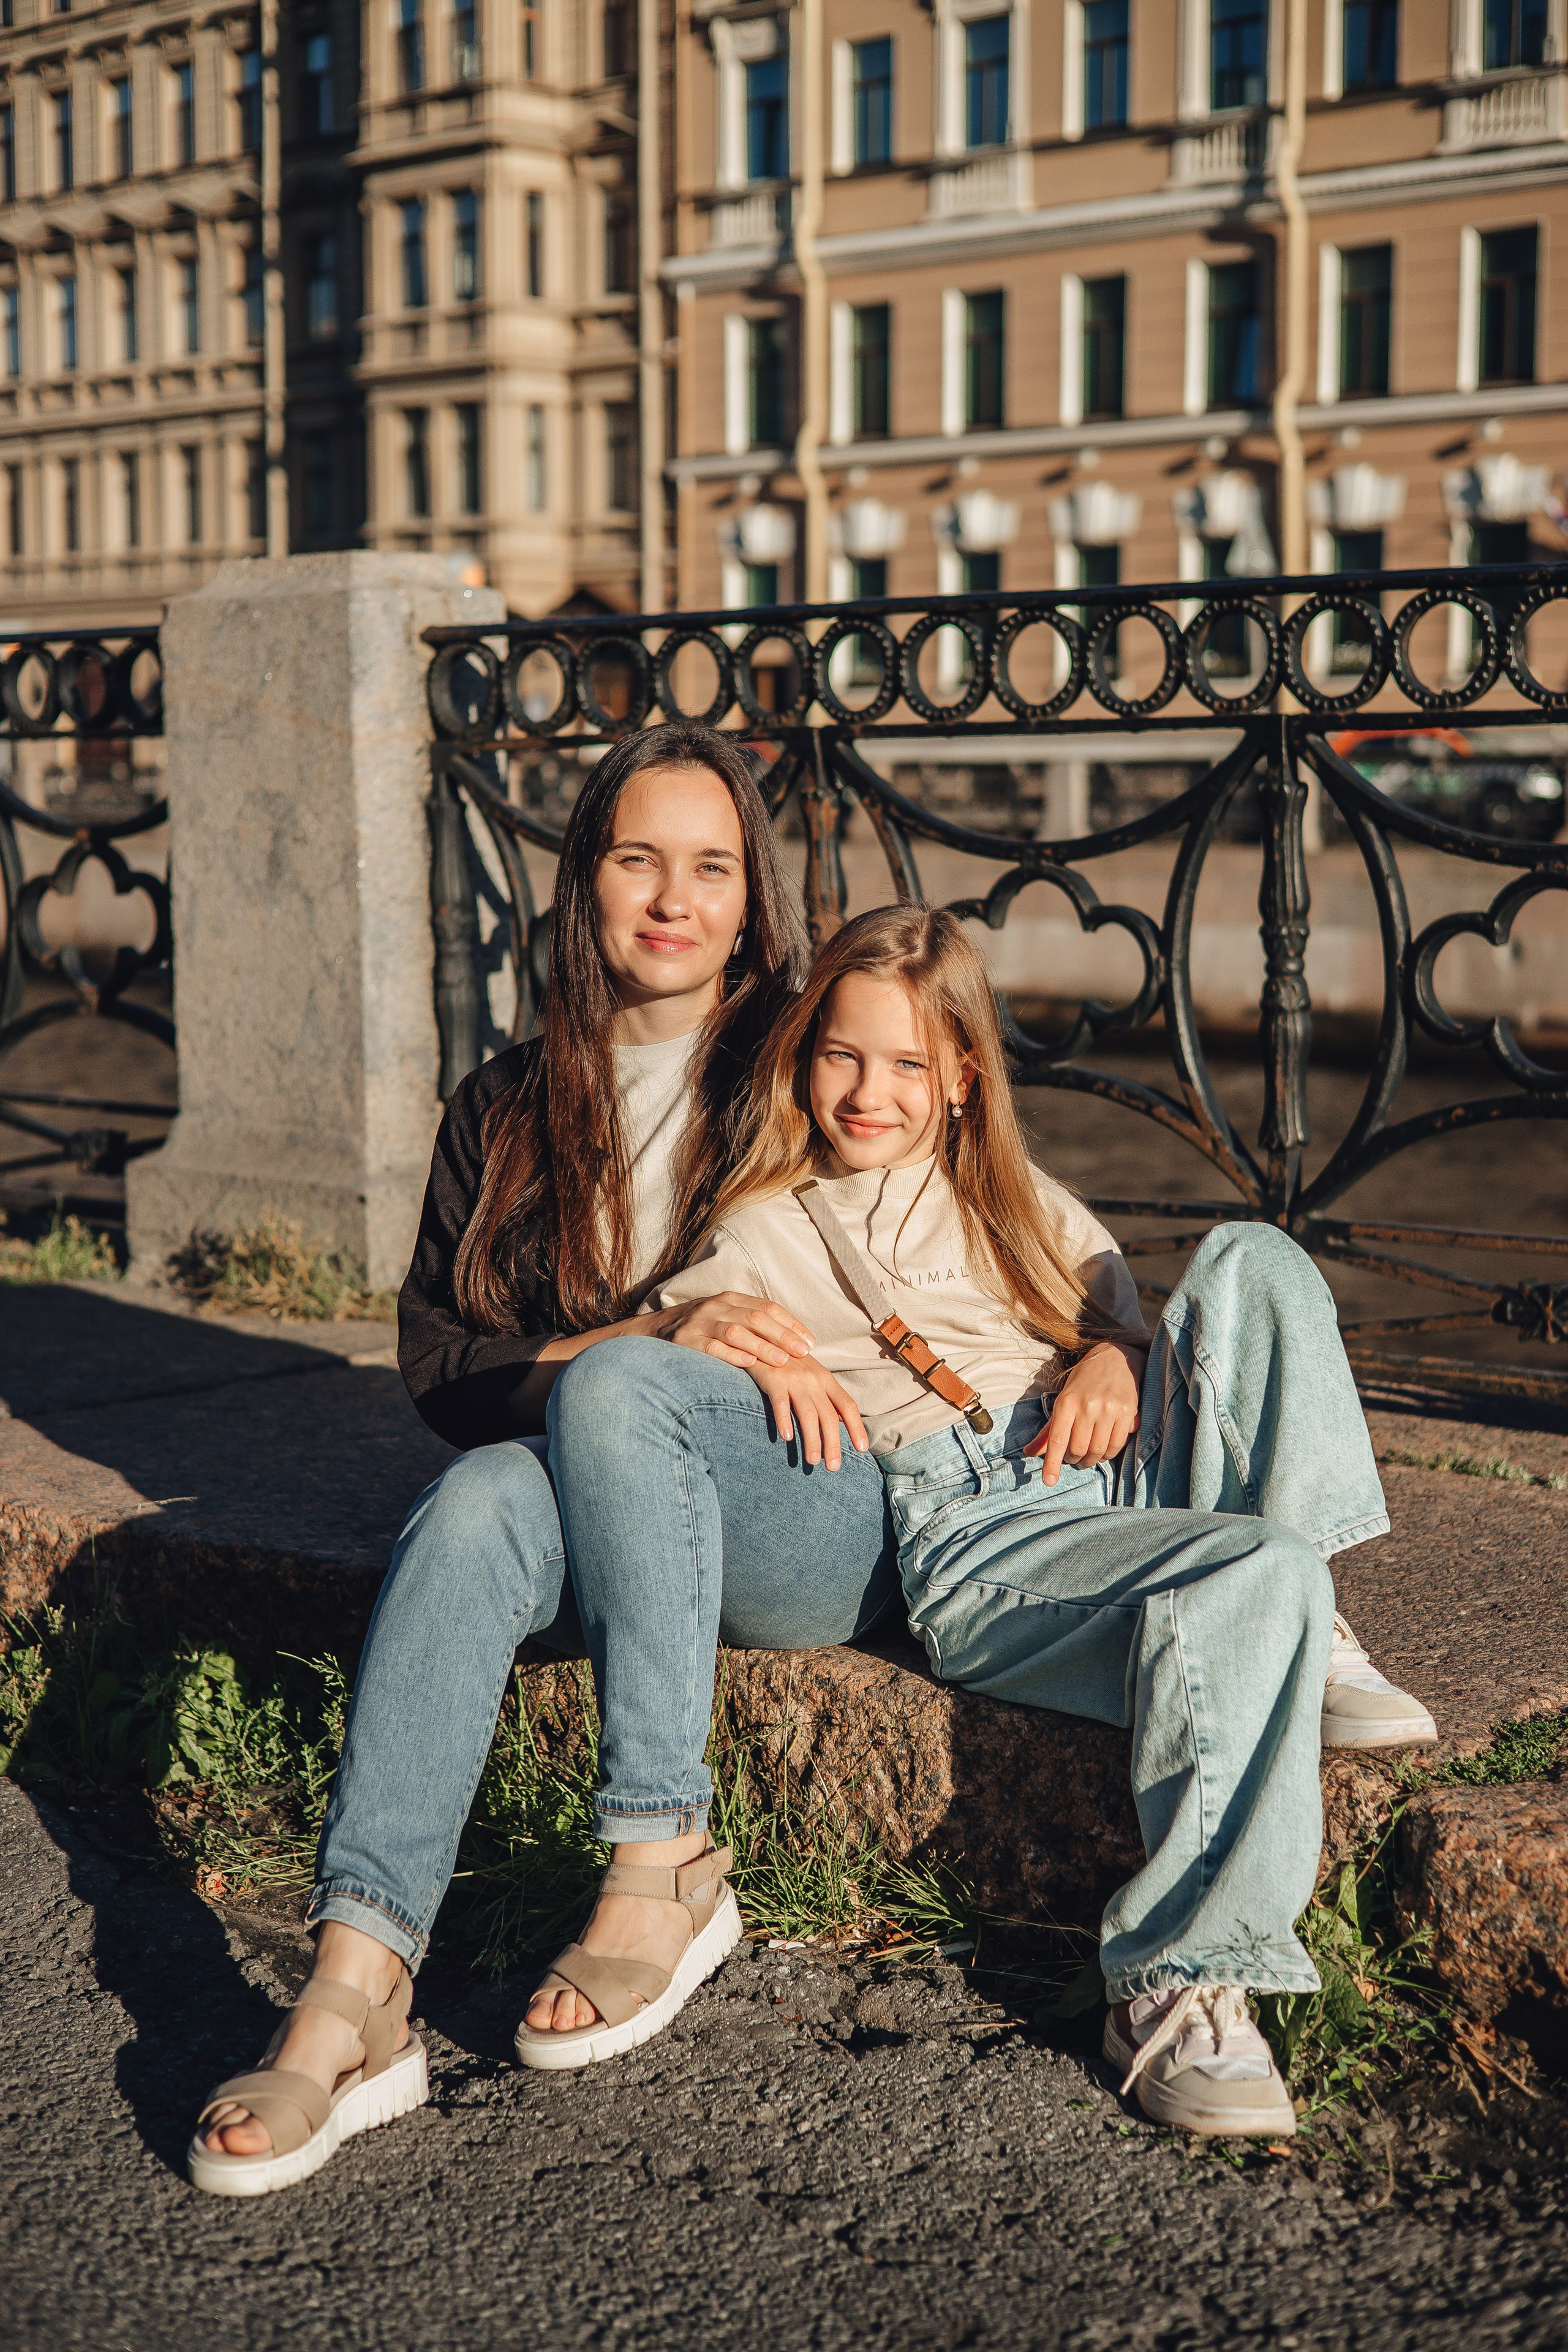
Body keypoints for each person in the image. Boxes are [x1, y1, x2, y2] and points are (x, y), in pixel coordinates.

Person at [546, 903, 1438, 2136]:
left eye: (908, 1063)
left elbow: (1131, 1326)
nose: (870, 1091)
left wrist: (1114, 1357)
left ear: (961, 1076)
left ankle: (1308, 1613)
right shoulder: (766, 1230)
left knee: (1253, 1256)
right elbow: (619, 1373)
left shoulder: (1026, 1204)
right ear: (803, 1059)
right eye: (841, 1055)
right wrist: (672, 1329)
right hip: (982, 1532)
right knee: (1247, 1569)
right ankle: (1178, 1980)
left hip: (1116, 1474)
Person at [189, 722, 901, 2194]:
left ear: (751, 901)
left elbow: (987, 1196)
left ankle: (662, 1858)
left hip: (805, 1504)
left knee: (600, 1407)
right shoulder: (505, 1106)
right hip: (595, 1510)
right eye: (636, 859)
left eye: (710, 869)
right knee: (469, 1505)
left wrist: (1103, 1337)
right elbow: (444, 1372)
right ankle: (354, 1989)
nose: (671, 899)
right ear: (580, 885)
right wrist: (646, 1330)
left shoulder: (800, 1065)